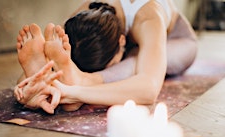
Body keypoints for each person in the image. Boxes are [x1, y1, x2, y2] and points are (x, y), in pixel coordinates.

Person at [14, 0, 197, 114]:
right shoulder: (90, 11)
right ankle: (65, 77)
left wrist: (73, 93)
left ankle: (84, 79)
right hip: (131, 45)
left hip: (178, 42)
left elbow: (148, 89)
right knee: (66, 57)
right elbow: (55, 49)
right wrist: (32, 84)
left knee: (136, 61)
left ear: (122, 40)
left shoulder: (149, 18)